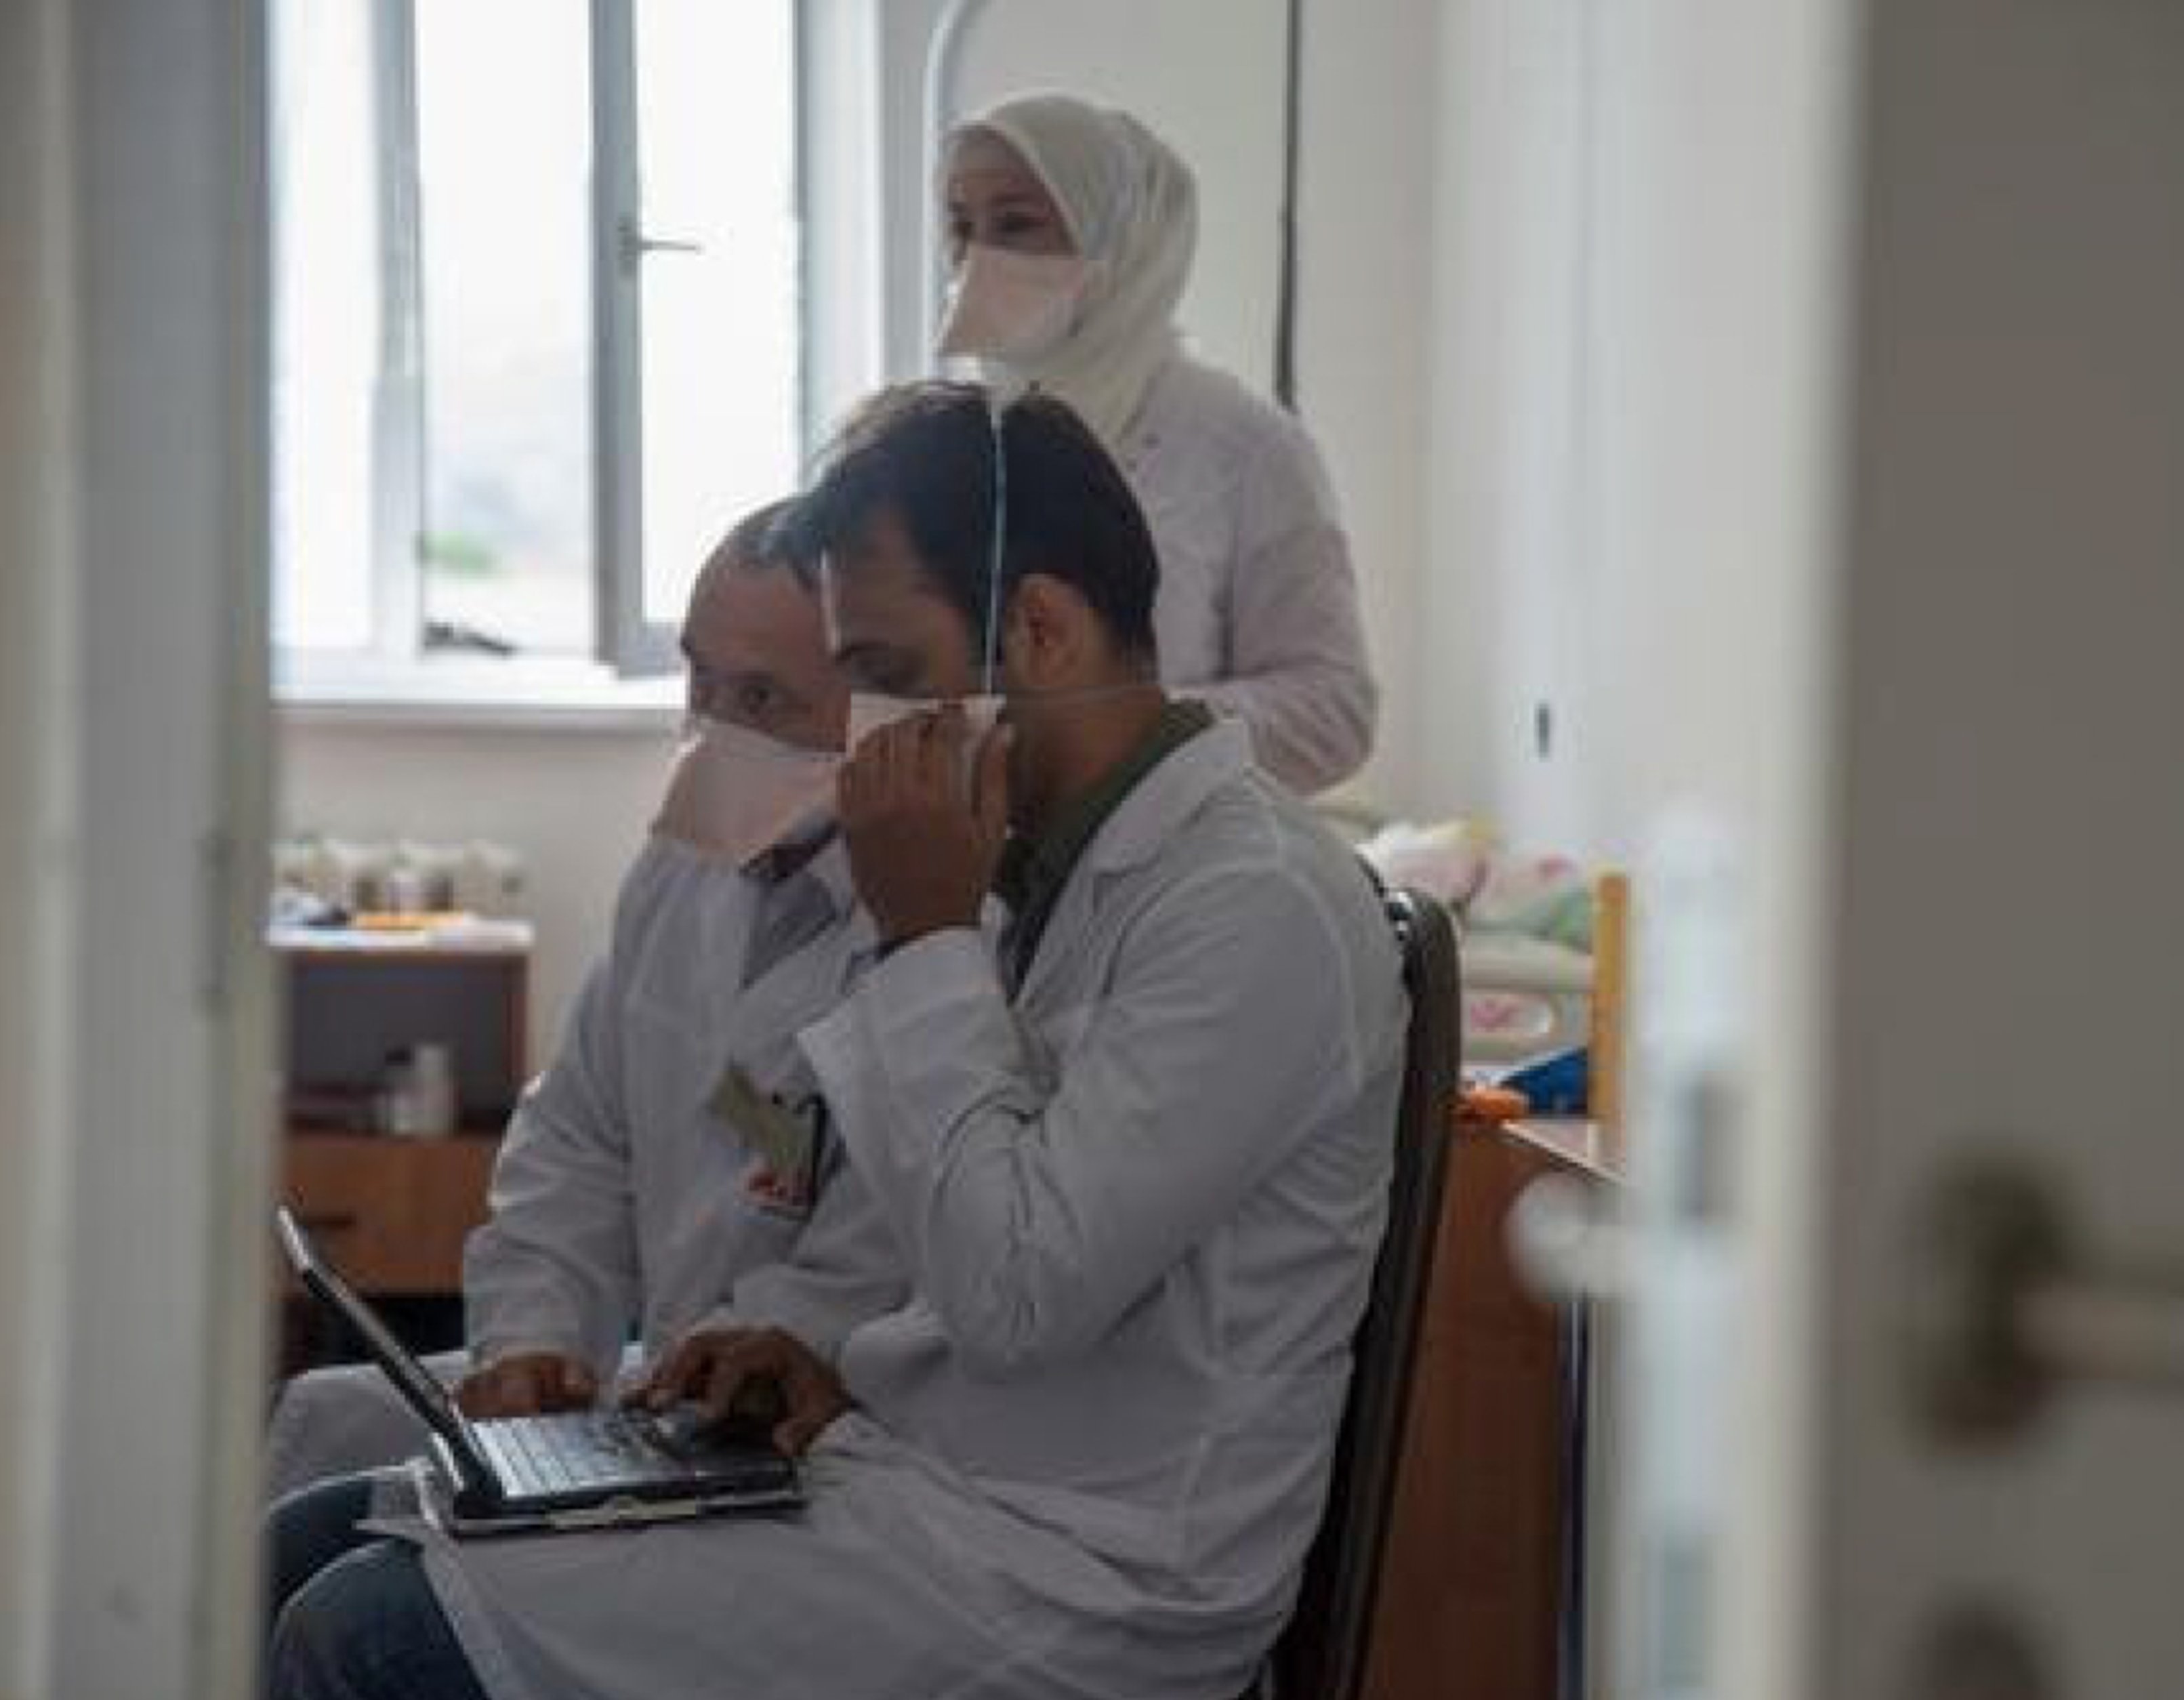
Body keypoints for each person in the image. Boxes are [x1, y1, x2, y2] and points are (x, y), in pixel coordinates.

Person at [265, 383, 1407, 1700]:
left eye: (883, 676)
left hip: (1083, 1573)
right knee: (311, 1536)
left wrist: (928, 937)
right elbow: (926, 1221)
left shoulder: (1250, 907)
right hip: (909, 1472)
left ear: (1038, 628)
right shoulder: (1037, 862)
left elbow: (1017, 1291)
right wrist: (811, 1348)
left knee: (369, 1633)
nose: (857, 732)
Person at [264, 503, 903, 1497]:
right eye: (699, 676)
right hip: (645, 1392)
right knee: (312, 1434)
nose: (715, 725)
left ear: (881, 705)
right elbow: (574, 1136)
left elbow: (875, 1270)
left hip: (791, 1441)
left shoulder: (926, 928)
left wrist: (707, 1367)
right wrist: (535, 1342)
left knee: (352, 1598)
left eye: (765, 696)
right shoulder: (679, 869)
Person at [930, 90, 1378, 795]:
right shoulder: (942, 440)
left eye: (1015, 225)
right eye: (960, 227)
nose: (976, 260)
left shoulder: (1245, 447)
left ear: (1119, 244)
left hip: (1182, 862)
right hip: (967, 862)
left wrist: (1126, 730)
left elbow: (1334, 712)